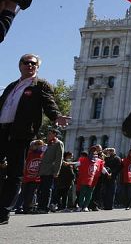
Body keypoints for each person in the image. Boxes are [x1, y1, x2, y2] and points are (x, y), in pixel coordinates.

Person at [0, 53, 69, 225]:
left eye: (33, 64)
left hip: (20, 132)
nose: (29, 65)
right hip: (2, 130)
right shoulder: (11, 86)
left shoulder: (40, 85)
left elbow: (49, 103)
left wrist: (56, 116)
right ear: (20, 65)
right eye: (26, 62)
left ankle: (4, 212)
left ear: (37, 67)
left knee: (14, 172)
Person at [36, 128, 64, 213]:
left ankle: (45, 207)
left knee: (47, 189)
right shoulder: (47, 144)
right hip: (43, 170)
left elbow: (59, 158)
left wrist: (56, 171)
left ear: (54, 134)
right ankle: (40, 206)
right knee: (41, 189)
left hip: (50, 170)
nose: (48, 135)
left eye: (49, 133)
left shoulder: (58, 143)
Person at [76, 145, 109, 212]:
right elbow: (77, 163)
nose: (93, 152)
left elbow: (102, 168)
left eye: (95, 151)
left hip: (93, 180)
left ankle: (85, 206)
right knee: (82, 193)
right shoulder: (84, 159)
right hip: (84, 179)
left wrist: (107, 173)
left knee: (89, 194)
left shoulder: (99, 161)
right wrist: (68, 163)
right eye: (92, 151)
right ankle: (80, 206)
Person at [20, 139, 45, 213]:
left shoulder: (43, 154)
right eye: (36, 144)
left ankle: (29, 207)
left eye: (40, 144)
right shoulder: (29, 153)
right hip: (27, 176)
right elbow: (25, 164)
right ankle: (24, 207)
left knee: (31, 193)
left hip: (36, 178)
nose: (38, 146)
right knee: (24, 192)